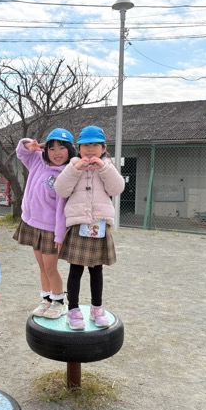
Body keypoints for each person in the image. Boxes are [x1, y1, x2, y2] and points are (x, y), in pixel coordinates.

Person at [54, 125, 125, 330]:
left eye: (95, 145)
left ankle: (97, 308)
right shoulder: (72, 165)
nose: (90, 149)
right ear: (79, 148)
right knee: (75, 270)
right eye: (85, 145)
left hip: (99, 224)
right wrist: (75, 169)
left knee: (96, 270)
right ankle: (73, 310)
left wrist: (103, 168)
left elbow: (117, 188)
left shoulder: (107, 166)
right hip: (78, 224)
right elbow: (61, 189)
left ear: (103, 148)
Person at [12, 128, 76, 318]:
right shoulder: (38, 161)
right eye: (52, 148)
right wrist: (27, 145)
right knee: (42, 267)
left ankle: (58, 301)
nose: (57, 153)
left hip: (50, 229)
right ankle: (46, 298)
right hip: (32, 224)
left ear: (70, 150)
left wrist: (59, 235)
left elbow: (62, 209)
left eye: (62, 148)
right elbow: (21, 152)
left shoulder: (67, 174)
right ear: (46, 150)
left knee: (50, 268)